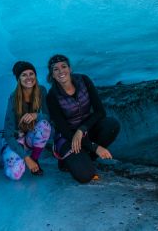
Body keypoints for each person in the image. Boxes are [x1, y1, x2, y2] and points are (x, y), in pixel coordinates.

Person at [46, 54, 120, 183]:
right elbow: (64, 130)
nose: (61, 71)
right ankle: (66, 161)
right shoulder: (52, 96)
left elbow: (100, 112)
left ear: (70, 69)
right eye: (55, 69)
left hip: (85, 130)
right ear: (52, 75)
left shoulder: (84, 80)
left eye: (63, 66)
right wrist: (95, 147)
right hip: (67, 137)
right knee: (86, 176)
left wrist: (82, 129)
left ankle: (86, 157)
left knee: (112, 125)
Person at [1, 61, 51, 180]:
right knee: (15, 174)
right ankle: (17, 158)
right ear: (18, 79)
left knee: (44, 125)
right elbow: (8, 135)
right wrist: (26, 159)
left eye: (31, 73)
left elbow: (48, 117)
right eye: (24, 75)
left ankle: (35, 159)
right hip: (15, 139)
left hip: (30, 136)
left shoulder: (41, 91)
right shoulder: (13, 98)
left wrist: (36, 115)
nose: (29, 78)